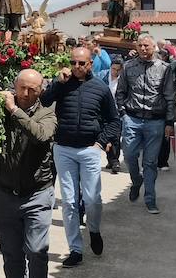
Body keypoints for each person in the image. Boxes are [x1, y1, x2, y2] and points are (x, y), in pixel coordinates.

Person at [42, 47, 120, 265]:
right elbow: (45, 101)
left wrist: (100, 142)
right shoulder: (62, 86)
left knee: (92, 199)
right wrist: (57, 82)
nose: (77, 67)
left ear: (90, 64)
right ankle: (75, 249)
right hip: (64, 148)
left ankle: (94, 230)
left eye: (81, 63)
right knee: (69, 202)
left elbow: (114, 120)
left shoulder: (100, 88)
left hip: (89, 150)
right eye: (73, 62)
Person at [0, 69, 57, 278]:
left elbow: (40, 135)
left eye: (32, 89)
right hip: (5, 194)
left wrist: (13, 110)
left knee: (37, 253)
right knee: (11, 255)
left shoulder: (48, 113)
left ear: (41, 90)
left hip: (37, 195)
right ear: (15, 87)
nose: (26, 94)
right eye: (22, 88)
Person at [114, 35, 176, 214]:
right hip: (132, 118)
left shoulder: (164, 69)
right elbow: (120, 92)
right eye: (140, 45)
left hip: (155, 121)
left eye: (146, 45)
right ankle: (136, 180)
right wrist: (123, 113)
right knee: (129, 155)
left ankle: (150, 199)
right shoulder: (128, 67)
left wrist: (169, 122)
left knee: (150, 162)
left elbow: (170, 97)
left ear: (154, 47)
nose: (143, 48)